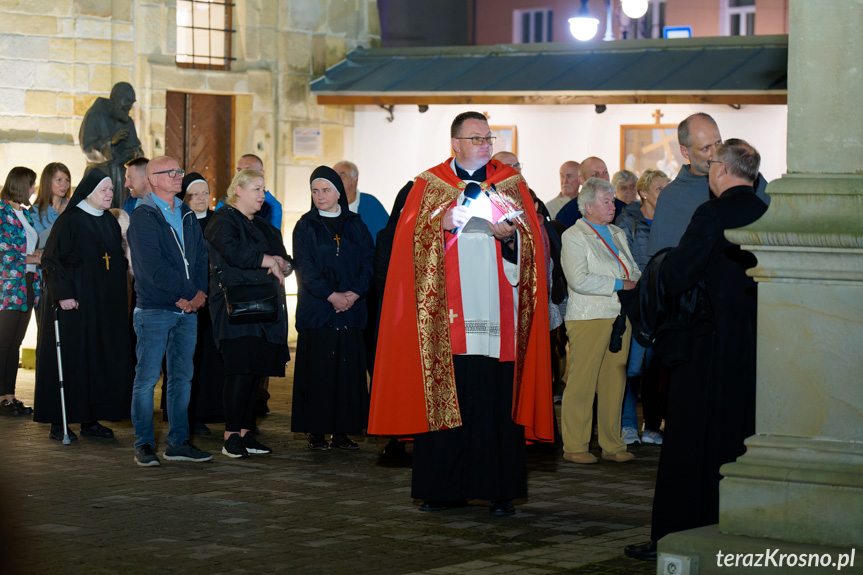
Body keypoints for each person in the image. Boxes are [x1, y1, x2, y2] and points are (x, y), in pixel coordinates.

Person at [368, 111, 553, 517]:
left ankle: (499, 489)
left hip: (496, 315)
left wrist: (511, 239)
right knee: (446, 404)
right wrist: (443, 223)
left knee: (494, 401)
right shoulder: (427, 184)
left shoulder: (511, 182)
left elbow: (536, 245)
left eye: (488, 138)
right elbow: (405, 242)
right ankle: (441, 489)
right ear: (455, 143)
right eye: (476, 138)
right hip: (445, 320)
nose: (485, 144)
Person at [624, 139, 768, 561]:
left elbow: (681, 272)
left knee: (688, 440)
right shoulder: (765, 214)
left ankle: (675, 535)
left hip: (704, 345)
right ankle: (735, 528)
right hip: (753, 346)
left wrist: (657, 272)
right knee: (738, 437)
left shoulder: (710, 213)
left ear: (721, 170)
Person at [33, 169, 133, 440]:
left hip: (104, 304)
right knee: (72, 360)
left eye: (112, 189)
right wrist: (64, 294)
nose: (110, 194)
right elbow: (51, 260)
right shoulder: (71, 221)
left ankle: (90, 419)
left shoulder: (110, 223)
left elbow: (115, 259)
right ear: (89, 192)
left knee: (97, 360)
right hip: (75, 303)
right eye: (105, 189)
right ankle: (59, 421)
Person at [127, 155, 212, 467]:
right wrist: (187, 294)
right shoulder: (144, 215)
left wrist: (199, 294)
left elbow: (201, 257)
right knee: (147, 379)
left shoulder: (187, 213)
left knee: (181, 379)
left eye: (180, 171)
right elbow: (151, 268)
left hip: (187, 310)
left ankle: (178, 442)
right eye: (171, 172)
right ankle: (144, 444)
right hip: (155, 309)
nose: (179, 176)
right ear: (153, 179)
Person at [205, 168, 291, 458]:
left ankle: (245, 432)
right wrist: (270, 261)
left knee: (255, 372)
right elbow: (235, 253)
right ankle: (230, 435)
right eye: (256, 188)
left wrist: (284, 265)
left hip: (264, 308)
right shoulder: (222, 221)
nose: (262, 194)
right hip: (235, 308)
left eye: (264, 189)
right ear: (238, 190)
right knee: (239, 370)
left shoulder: (266, 227)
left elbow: (286, 259)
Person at [291, 166, 373, 451]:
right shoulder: (305, 226)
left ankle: (343, 432)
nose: (319, 196)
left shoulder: (356, 225)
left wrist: (354, 294)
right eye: (315, 191)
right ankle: (317, 432)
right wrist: (331, 296)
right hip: (319, 311)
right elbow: (305, 267)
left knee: (346, 375)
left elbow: (368, 263)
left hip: (351, 310)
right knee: (319, 374)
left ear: (339, 192)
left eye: (325, 190)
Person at [559, 177, 640, 464]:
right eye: (606, 201)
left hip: (620, 317)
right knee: (582, 382)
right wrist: (620, 284)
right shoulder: (573, 236)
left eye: (613, 200)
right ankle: (575, 445)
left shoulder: (616, 232)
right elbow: (578, 280)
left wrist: (636, 282)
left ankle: (612, 444)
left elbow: (632, 269)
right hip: (589, 317)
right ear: (588, 206)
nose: (613, 205)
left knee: (614, 382)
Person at [646, 112, 769, 257]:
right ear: (685, 152)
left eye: (718, 143)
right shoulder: (671, 197)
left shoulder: (747, 179)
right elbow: (662, 262)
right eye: (706, 148)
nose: (716, 153)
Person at [613, 169, 669, 446]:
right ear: (644, 192)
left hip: (664, 302)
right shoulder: (628, 221)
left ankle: (653, 425)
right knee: (634, 367)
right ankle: (627, 424)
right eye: (660, 188)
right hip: (637, 303)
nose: (665, 193)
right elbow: (624, 261)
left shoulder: (672, 220)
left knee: (657, 369)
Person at [178, 172, 225, 434]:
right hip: (190, 299)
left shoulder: (219, 222)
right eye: (194, 195)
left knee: (212, 357)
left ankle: (213, 409)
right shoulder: (179, 222)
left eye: (205, 194)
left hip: (216, 300)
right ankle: (189, 415)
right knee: (190, 358)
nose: (200, 199)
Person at [0, 167, 40, 417]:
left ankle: (10, 396)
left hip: (27, 282)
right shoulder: (1, 213)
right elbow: (4, 252)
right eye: (31, 184)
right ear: (20, 185)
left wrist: (38, 256)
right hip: (7, 285)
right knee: (3, 343)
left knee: (15, 343)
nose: (34, 189)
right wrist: (32, 257)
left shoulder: (26, 214)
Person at [79, 82, 144, 208]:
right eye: (127, 102)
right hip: (102, 175)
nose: (129, 107)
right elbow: (87, 148)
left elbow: (137, 147)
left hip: (124, 179)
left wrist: (135, 153)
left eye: (131, 103)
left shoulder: (128, 121)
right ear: (115, 99)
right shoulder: (95, 115)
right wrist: (110, 143)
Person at [556, 156, 623, 227]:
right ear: (582, 180)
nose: (603, 178)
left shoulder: (622, 209)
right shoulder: (567, 214)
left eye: (605, 172)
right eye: (595, 174)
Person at [29, 163, 72, 241]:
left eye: (67, 180)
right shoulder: (34, 211)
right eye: (59, 180)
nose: (64, 185)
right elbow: (38, 242)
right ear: (47, 181)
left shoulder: (72, 208)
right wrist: (60, 219)